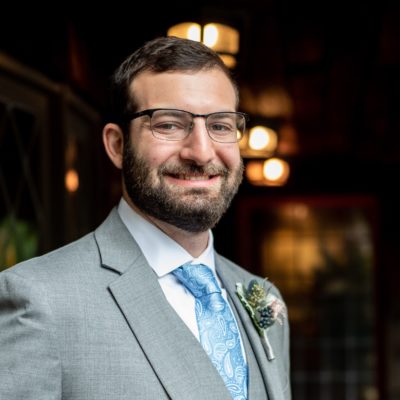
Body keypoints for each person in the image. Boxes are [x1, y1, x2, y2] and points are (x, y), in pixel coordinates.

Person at [0, 36, 290, 400]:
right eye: (169, 124)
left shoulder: (264, 299)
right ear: (117, 145)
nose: (201, 152)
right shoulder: (38, 301)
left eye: (220, 125)